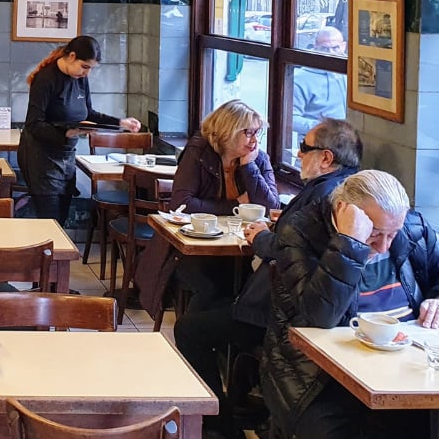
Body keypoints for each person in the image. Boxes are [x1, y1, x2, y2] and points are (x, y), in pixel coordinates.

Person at [263, 170, 439, 439]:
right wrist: (349, 245)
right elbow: (318, 318)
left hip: (403, 367)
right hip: (313, 375)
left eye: (392, 235)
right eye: (375, 233)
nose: (385, 246)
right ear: (346, 212)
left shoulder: (412, 227)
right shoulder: (301, 233)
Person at [173, 118, 361, 439]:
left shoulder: (324, 197)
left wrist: (262, 237)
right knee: (206, 300)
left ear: (326, 158)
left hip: (284, 317)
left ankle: (224, 431)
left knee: (189, 328)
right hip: (290, 305)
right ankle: (229, 405)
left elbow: (290, 252)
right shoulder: (338, 190)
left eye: (304, 149)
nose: (299, 154)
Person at [136, 99, 279, 318]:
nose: (254, 141)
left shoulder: (256, 157)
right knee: (213, 287)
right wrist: (236, 205)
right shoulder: (199, 151)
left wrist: (249, 167)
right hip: (192, 249)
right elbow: (181, 204)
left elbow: (270, 207)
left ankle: (225, 343)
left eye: (257, 133)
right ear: (228, 131)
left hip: (238, 250)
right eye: (248, 133)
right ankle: (196, 337)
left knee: (256, 286)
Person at [17, 35, 141, 225]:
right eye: (85, 67)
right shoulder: (45, 79)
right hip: (40, 157)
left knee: (62, 217)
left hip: (65, 155)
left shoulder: (80, 79)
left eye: (90, 69)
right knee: (50, 221)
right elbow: (33, 124)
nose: (87, 73)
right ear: (72, 56)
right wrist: (65, 133)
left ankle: (55, 254)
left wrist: (121, 123)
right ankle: (48, 254)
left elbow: (88, 113)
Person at [292, 26, 347, 134]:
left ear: (343, 46)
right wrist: (325, 128)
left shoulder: (350, 72)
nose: (330, 53)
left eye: (335, 48)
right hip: (317, 141)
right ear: (315, 47)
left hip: (347, 140)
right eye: (325, 48)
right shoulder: (300, 79)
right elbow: (291, 119)